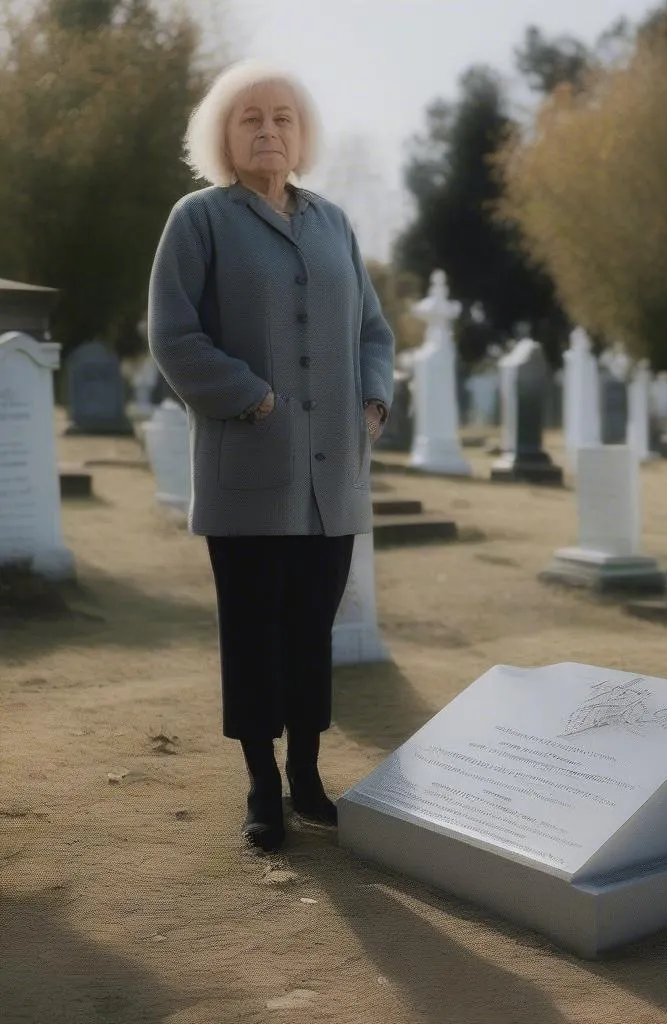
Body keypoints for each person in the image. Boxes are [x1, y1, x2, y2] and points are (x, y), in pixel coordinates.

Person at [147, 60, 395, 853]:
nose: (269, 130)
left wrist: (373, 400)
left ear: (302, 133)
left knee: (311, 630)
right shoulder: (199, 220)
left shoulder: (334, 224)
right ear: (223, 134)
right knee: (253, 630)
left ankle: (309, 775)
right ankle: (261, 781)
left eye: (283, 117)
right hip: (251, 469)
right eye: (251, 117)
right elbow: (174, 335)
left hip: (334, 476)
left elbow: (373, 332)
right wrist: (248, 396)